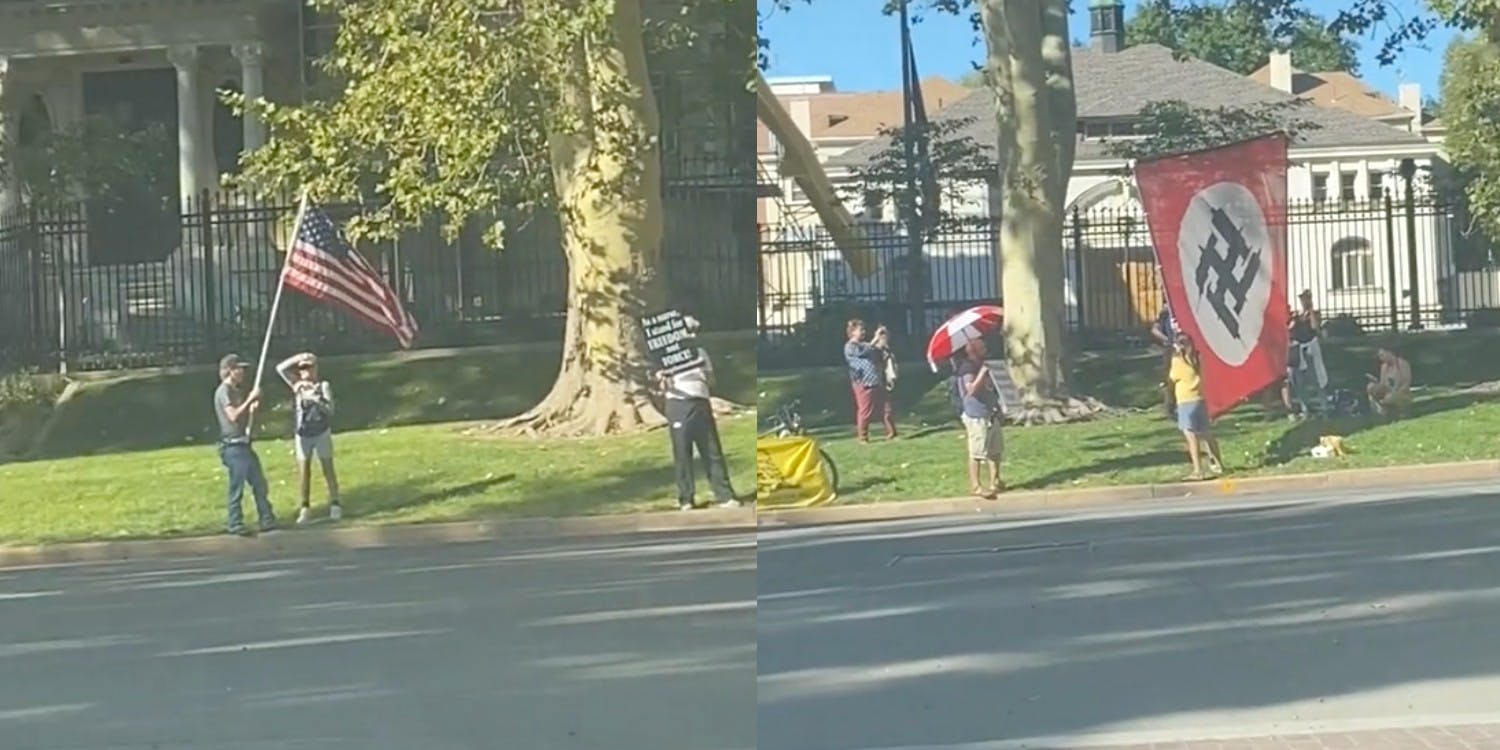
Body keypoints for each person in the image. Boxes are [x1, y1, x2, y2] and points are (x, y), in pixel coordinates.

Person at [659, 321, 740, 511]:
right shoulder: (667, 358)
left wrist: (702, 377)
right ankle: (686, 498)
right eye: (688, 331)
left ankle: (724, 495)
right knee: (682, 453)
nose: (693, 335)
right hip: (679, 405)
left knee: (711, 449)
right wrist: (665, 378)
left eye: (695, 331)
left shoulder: (700, 353)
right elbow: (662, 386)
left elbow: (711, 380)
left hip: (701, 403)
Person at [213, 354, 277, 536]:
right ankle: (235, 522)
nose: (242, 372)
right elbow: (232, 416)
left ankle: (266, 518)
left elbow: (242, 418)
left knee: (259, 483)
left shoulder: (236, 391)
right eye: (238, 368)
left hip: (243, 444)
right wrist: (249, 399)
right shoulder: (224, 391)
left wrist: (252, 410)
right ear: (229, 370)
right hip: (232, 447)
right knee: (237, 485)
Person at [276, 351, 342, 524]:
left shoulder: (322, 386)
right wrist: (299, 357)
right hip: (303, 434)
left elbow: (330, 409)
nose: (305, 372)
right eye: (302, 369)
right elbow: (280, 368)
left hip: (321, 432)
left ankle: (335, 503)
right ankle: (305, 507)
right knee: (304, 471)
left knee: (327, 468)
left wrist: (314, 398)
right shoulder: (297, 385)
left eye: (308, 367)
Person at [954, 339, 1005, 498]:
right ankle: (976, 486)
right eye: (982, 347)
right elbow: (972, 390)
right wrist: (982, 373)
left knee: (995, 450)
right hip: (976, 414)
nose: (985, 349)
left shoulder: (982, 364)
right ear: (973, 350)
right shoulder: (967, 368)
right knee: (977, 452)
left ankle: (995, 481)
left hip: (990, 411)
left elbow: (990, 389)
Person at [1168, 335, 1224, 481]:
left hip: (1185, 401)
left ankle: (1198, 470)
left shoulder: (1178, 361)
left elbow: (1173, 378)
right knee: (1207, 433)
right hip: (1199, 398)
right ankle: (1219, 464)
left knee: (1191, 436)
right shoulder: (1199, 359)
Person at [844, 319, 897, 443]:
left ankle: (892, 432)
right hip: (862, 382)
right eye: (860, 330)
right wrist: (875, 338)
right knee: (865, 411)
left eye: (863, 329)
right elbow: (864, 351)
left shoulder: (865, 344)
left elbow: (876, 350)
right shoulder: (850, 346)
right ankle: (863, 437)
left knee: (886, 408)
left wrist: (882, 338)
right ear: (852, 332)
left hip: (875, 381)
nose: (863, 332)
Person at [1283, 290, 1329, 418]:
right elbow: (1289, 328)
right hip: (1298, 351)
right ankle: (1305, 407)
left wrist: (1311, 312)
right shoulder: (1296, 315)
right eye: (1302, 299)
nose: (1304, 302)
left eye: (1306, 299)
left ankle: (1324, 404)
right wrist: (1295, 319)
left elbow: (1315, 328)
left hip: (1310, 349)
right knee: (1297, 380)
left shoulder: (1315, 314)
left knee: (1316, 378)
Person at [1367, 346, 1413, 418]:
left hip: (1401, 392)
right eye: (1379, 356)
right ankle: (1377, 411)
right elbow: (1383, 384)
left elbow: (1406, 384)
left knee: (1389, 397)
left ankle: (1399, 412)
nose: (1380, 358)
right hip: (1388, 391)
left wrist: (1395, 393)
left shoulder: (1402, 364)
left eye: (1382, 355)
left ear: (1389, 353)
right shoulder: (1384, 366)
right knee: (1370, 387)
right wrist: (1375, 383)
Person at [1150, 305, 1179, 419]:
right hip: (1171, 349)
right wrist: (1167, 340)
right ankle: (1170, 408)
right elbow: (1155, 329)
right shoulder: (1166, 314)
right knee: (1170, 379)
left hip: (1187, 347)